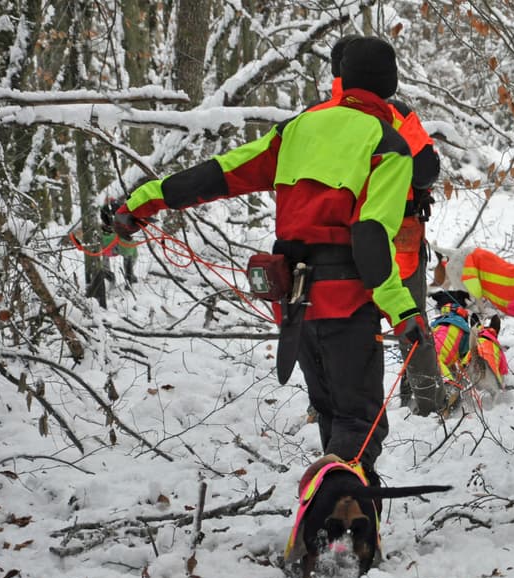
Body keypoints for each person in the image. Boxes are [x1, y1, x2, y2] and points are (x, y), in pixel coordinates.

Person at [106, 37, 426, 482]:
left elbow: (218, 173)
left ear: (343, 79)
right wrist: (404, 311)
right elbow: (370, 236)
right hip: (348, 302)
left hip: (294, 307)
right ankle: (335, 497)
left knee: (333, 413)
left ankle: (340, 517)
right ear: (388, 86)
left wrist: (142, 202)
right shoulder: (389, 144)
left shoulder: (297, 129)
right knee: (359, 423)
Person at [326, 36, 446, 417]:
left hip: (330, 246)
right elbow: (427, 169)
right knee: (409, 316)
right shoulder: (392, 112)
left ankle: (338, 409)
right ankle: (428, 404)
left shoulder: (315, 115)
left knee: (339, 332)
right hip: (396, 236)